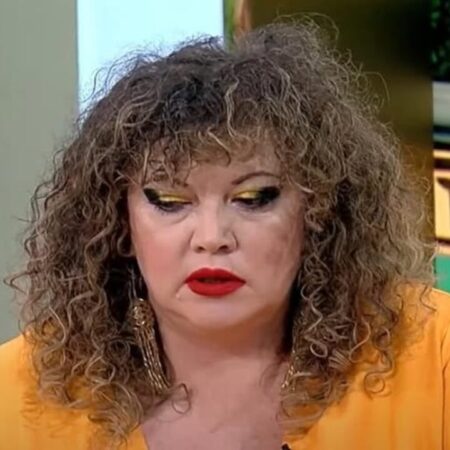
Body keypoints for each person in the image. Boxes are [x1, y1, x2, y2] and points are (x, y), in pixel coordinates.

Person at [0, 20, 449, 450]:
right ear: (118, 223)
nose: (212, 237)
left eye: (253, 198)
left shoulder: (435, 355)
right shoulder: (15, 396)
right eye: (169, 201)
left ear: (319, 209)